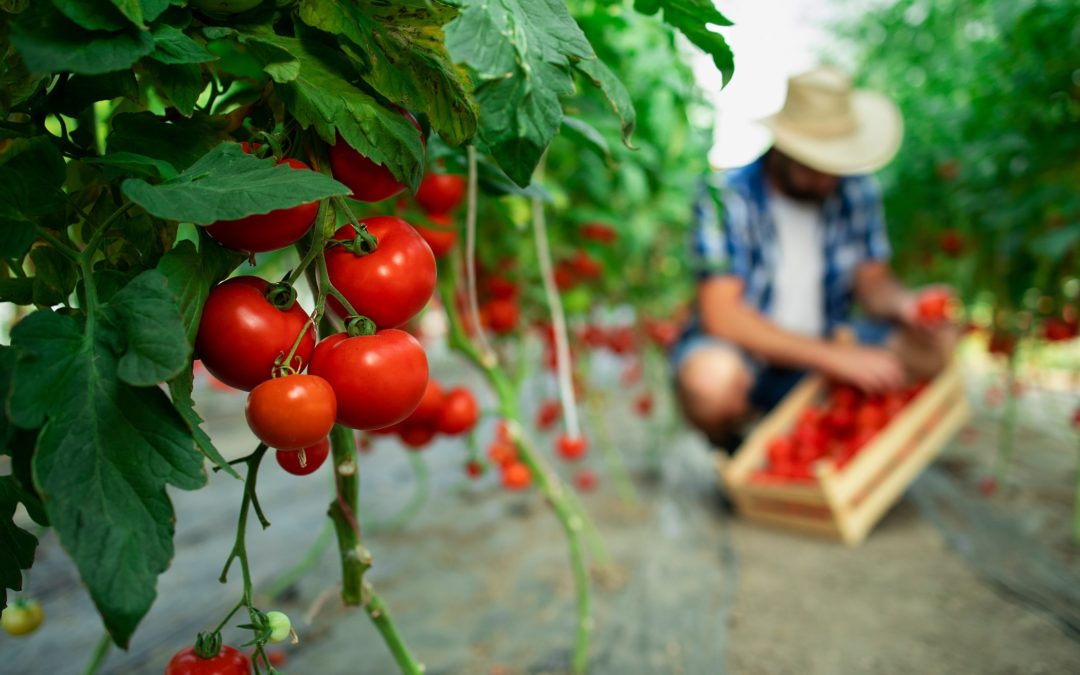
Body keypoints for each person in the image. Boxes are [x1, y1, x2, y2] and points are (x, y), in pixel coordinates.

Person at [672, 66, 956, 450]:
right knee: (709, 381)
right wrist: (835, 358)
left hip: (828, 343)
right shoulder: (725, 196)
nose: (827, 178)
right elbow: (722, 315)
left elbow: (873, 283)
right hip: (750, 358)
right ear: (784, 147)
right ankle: (737, 446)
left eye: (835, 165)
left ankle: (836, 435)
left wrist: (905, 304)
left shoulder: (855, 191)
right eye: (814, 164)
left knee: (939, 346)